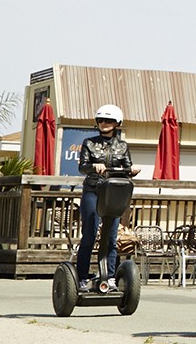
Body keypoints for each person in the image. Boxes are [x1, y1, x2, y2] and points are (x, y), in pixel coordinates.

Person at [75, 104, 140, 292]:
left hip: (113, 193)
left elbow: (127, 167)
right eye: (101, 120)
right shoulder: (89, 142)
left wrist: (133, 170)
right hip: (93, 190)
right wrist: (94, 167)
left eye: (109, 120)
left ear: (117, 123)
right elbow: (82, 167)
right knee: (89, 234)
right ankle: (81, 278)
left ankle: (109, 277)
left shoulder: (122, 146)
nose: (104, 123)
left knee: (111, 237)